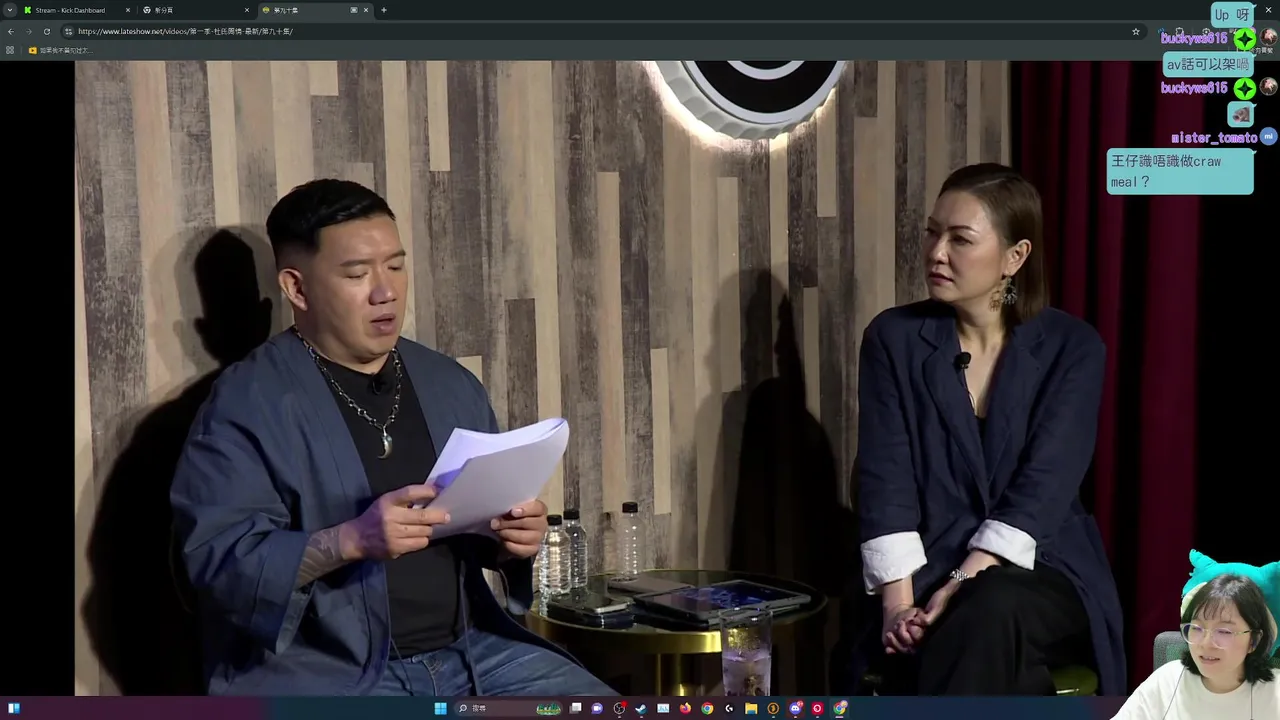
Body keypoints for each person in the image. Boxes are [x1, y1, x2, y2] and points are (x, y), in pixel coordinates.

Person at [170, 179, 615, 696]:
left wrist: (512, 541)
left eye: (396, 267)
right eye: (357, 274)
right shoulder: (246, 405)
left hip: (475, 654)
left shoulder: (449, 383)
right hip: (330, 671)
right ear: (296, 288)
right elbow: (216, 566)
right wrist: (350, 540)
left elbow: (480, 535)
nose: (386, 292)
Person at [843, 163, 1126, 695]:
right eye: (932, 232)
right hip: (926, 564)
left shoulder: (1072, 347)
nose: (936, 253)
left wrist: (960, 585)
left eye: (960, 239)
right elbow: (887, 479)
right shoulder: (893, 339)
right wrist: (898, 605)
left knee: (988, 608)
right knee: (990, 650)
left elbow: (1043, 489)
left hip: (1044, 568)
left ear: (1015, 257)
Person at [1112, 574, 1279, 719]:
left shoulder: (1275, 693)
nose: (1206, 643)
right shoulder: (1166, 681)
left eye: (1224, 631)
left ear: (1253, 640)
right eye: (1197, 628)